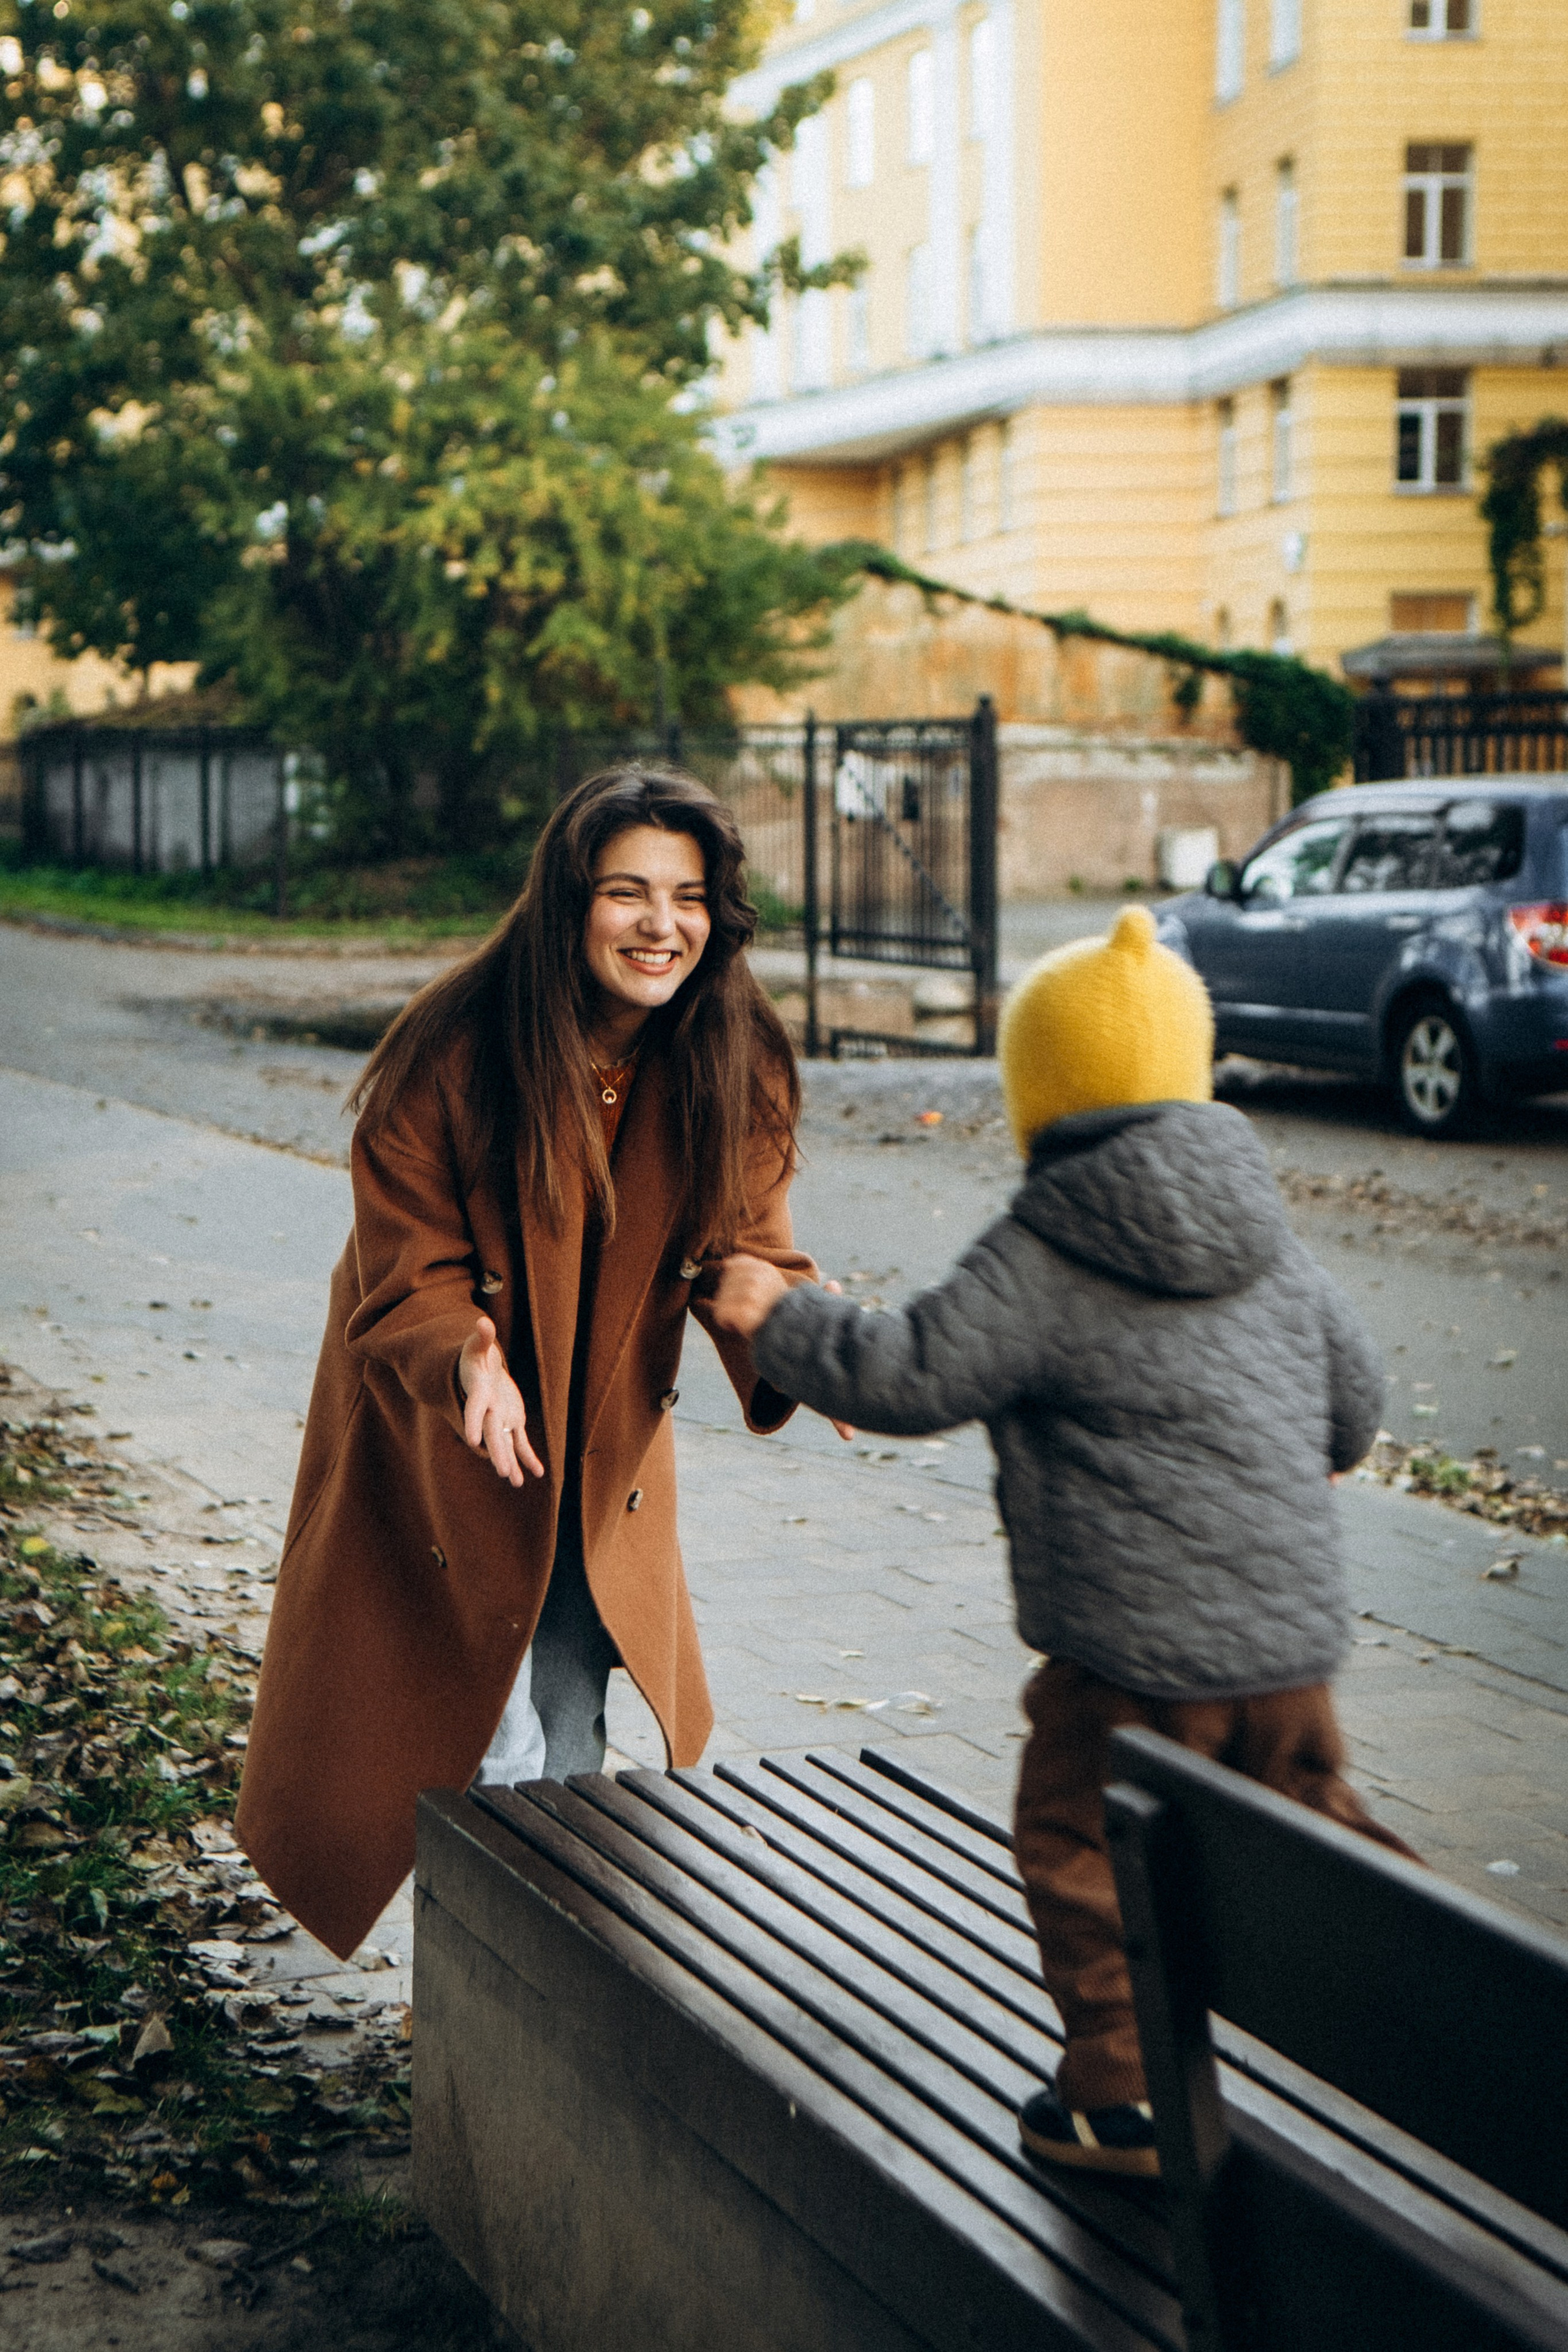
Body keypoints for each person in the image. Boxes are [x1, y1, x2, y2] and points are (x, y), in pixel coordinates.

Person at [708, 904, 1415, 2180]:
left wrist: (780, 1314)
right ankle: (1461, 2016)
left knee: (1077, 1841)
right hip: (1291, 1655)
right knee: (1309, 1822)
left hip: (1128, 1662)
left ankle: (1121, 2097)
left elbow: (912, 1373)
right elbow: (1354, 1411)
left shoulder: (1049, 1241)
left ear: (1041, 1093)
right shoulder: (1271, 1240)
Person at [236, 766, 827, 1962]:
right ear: (568, 903)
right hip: (445, 1432)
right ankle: (493, 2000)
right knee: (470, 1736)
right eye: (627, 892)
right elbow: (407, 1270)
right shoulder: (453, 1050)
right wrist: (470, 1362)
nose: (661, 925)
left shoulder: (734, 1053)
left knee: (565, 1732)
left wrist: (806, 1339)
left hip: (595, 1447)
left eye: (689, 897)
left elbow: (749, 1252)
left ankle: (535, 2009)